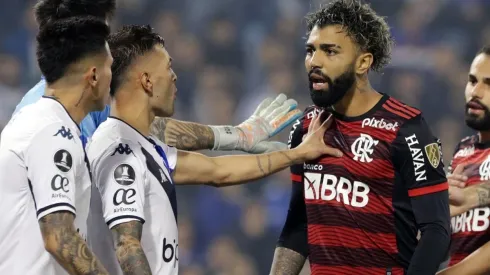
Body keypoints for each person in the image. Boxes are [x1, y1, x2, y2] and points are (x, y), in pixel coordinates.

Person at [85, 24, 343, 275]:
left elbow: (218, 170)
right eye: (168, 67)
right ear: (147, 81)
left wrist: (296, 154)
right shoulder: (120, 150)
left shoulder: (143, 144)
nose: (174, 76)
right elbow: (127, 245)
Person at [269, 1, 450, 274]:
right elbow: (299, 225)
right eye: (311, 50)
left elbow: (436, 231)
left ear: (363, 62)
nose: (314, 61)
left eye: (330, 51)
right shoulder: (306, 128)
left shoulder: (407, 129)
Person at [17, 0, 299, 152]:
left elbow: (156, 131)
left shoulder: (96, 105)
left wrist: (236, 136)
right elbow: (56, 238)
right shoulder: (38, 118)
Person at [0, 17, 111, 274]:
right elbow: (59, 238)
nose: (112, 79)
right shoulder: (51, 131)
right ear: (93, 75)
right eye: (110, 68)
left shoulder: (46, 122)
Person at [441, 45, 490, 267]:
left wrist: (467, 198)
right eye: (472, 81)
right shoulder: (463, 152)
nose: (475, 92)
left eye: (489, 85)